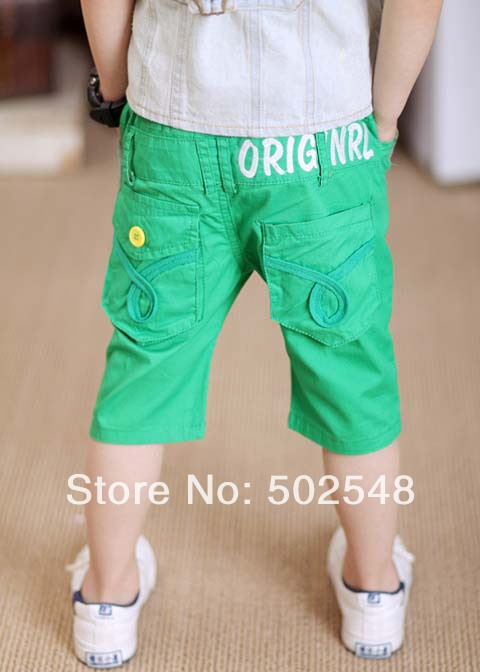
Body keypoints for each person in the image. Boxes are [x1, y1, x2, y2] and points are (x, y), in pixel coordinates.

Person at [69, 0, 443, 666]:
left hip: (174, 131)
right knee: (349, 371)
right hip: (324, 138)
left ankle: (107, 597)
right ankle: (373, 588)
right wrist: (385, 116)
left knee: (145, 369)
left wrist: (117, 88)